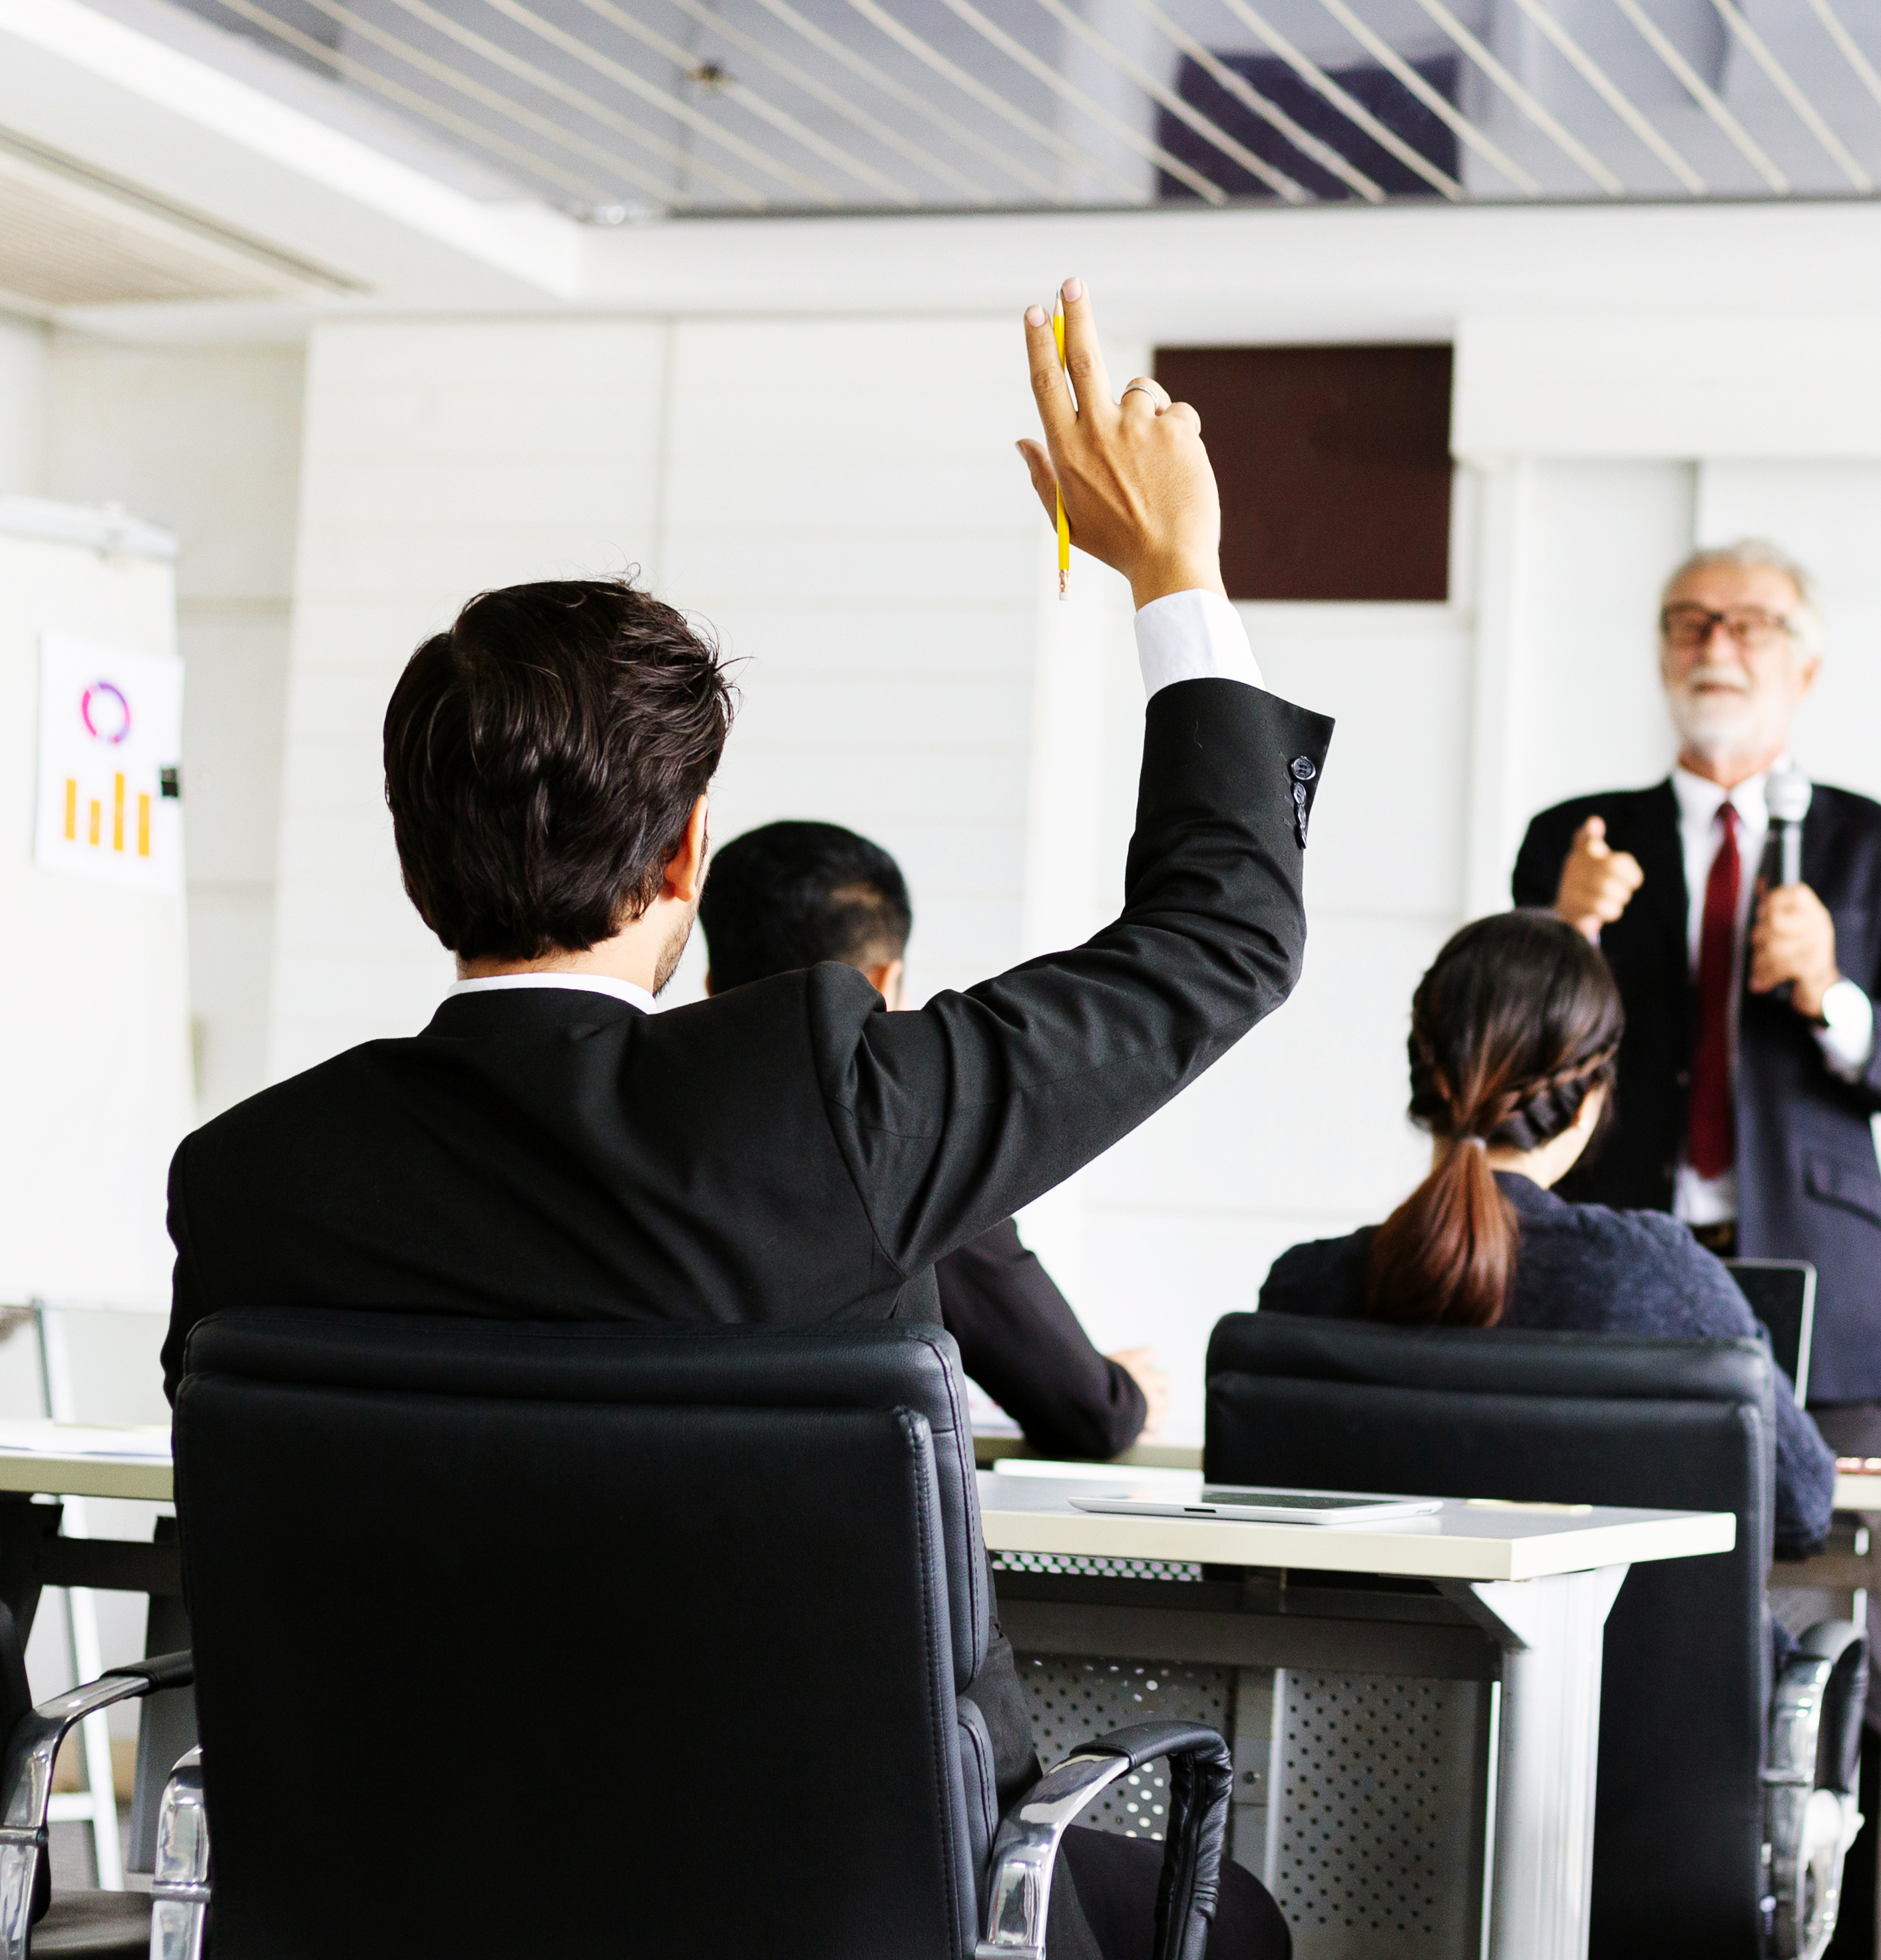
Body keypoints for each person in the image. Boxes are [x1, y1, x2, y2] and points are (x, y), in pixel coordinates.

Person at [160, 282, 1307, 1960]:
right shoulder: (826, 1107)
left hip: (399, 1896)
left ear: (413, 854)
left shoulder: (250, 1177)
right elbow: (1220, 940)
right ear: (691, 853)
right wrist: (1176, 578)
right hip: (835, 1903)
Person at [1509, 540, 1881, 1468]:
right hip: (1614, 1267)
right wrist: (1565, 933)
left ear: (1806, 665)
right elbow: (1508, 1069)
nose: (1714, 644)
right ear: (1659, 655)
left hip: (1820, 1298)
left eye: (1750, 624)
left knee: (1819, 1580)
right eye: (1689, 622)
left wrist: (1832, 994)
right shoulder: (1576, 838)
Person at [1255, 910, 1838, 1559]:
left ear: (1424, 1077)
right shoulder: (1662, 1277)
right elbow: (1802, 1508)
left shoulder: (1304, 1288)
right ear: (1589, 1098)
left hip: (1357, 1664)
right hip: (1624, 1666)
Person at [700, 817, 1167, 1458]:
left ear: (709, 982)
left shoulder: (622, 1113)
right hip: (847, 1538)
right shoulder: (901, 1148)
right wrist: (1128, 1392)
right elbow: (1083, 1413)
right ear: (884, 983)